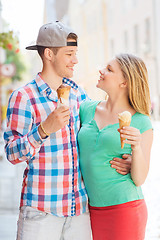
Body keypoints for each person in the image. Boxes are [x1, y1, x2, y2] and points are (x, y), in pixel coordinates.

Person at [4, 22, 131, 240]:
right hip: (40, 212)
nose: (76, 60)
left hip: (79, 212)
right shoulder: (23, 97)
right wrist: (43, 129)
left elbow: (97, 137)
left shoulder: (78, 94)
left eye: (76, 53)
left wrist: (128, 159)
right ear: (48, 54)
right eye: (69, 53)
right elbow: (12, 154)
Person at [78, 53, 153, 240]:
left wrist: (135, 148)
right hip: (89, 210)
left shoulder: (141, 122)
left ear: (124, 82)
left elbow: (140, 178)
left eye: (109, 69)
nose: (101, 71)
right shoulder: (86, 109)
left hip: (124, 210)